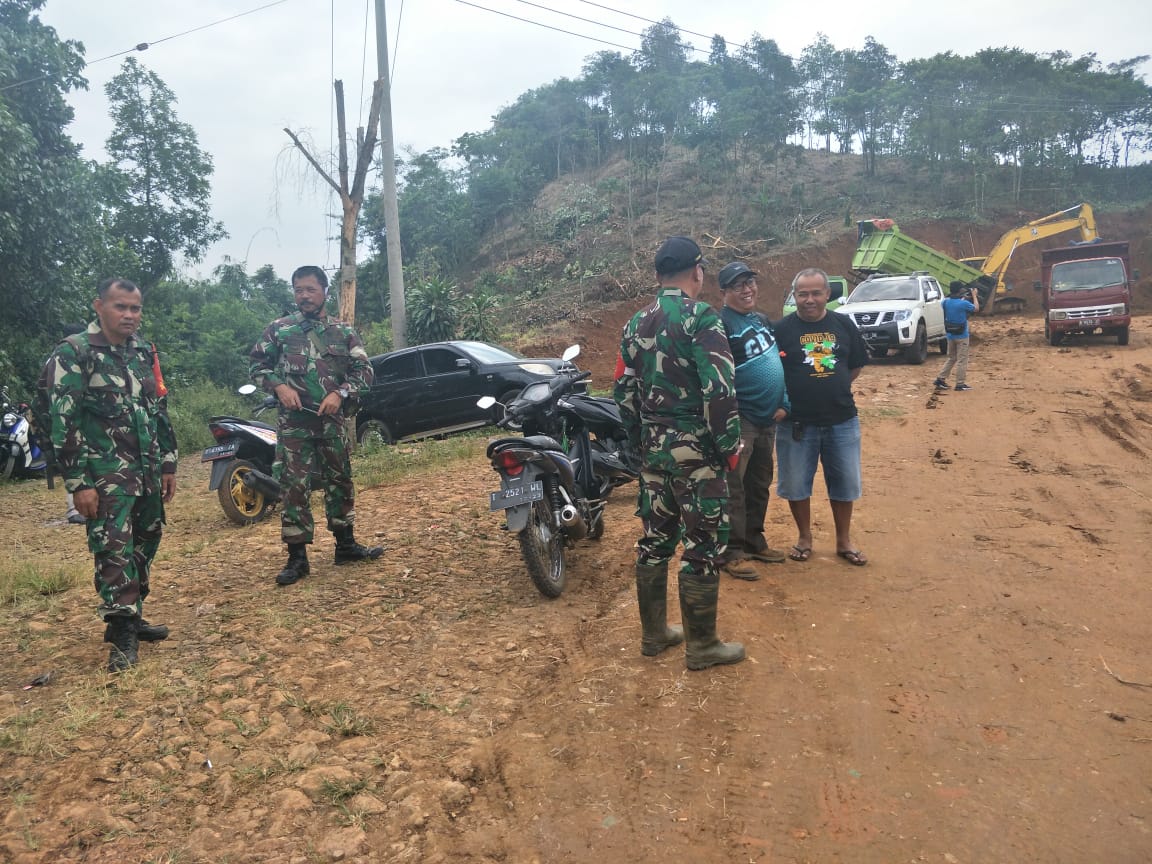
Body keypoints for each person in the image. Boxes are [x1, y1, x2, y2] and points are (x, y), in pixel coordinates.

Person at [615, 236, 745, 670]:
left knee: (654, 542)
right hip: (697, 457)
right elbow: (719, 389)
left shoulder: (634, 323)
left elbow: (624, 392)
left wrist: (639, 443)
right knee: (702, 545)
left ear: (657, 276)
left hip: (654, 454)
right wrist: (728, 446)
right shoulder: (702, 317)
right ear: (698, 272)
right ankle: (702, 646)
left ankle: (654, 634)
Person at [44, 278, 177, 672]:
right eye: (121, 307)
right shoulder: (75, 352)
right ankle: (121, 632)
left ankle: (133, 614)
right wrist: (78, 483)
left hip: (146, 469)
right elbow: (63, 421)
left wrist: (168, 462)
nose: (129, 315)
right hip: (104, 474)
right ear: (99, 306)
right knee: (113, 548)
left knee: (147, 538)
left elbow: (158, 408)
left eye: (135, 308)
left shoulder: (142, 351)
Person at [250, 265, 381, 586]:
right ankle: (297, 558)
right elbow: (257, 365)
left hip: (331, 422)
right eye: (298, 290)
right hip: (293, 426)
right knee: (293, 487)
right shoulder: (279, 330)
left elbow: (364, 371)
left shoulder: (343, 331)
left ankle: (346, 545)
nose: (304, 296)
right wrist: (280, 387)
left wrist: (341, 393)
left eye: (310, 289)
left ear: (325, 291)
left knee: (340, 481)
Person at [774, 267, 869, 567]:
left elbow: (855, 365)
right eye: (803, 294)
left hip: (842, 419)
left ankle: (844, 540)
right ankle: (804, 537)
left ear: (828, 294)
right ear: (794, 296)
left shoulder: (843, 324)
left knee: (844, 483)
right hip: (796, 423)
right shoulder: (781, 330)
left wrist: (831, 387)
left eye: (816, 293)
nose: (809, 300)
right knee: (795, 483)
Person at [715, 261, 791, 580]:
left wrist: (784, 402)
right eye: (738, 285)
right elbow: (718, 374)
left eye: (750, 282)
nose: (747, 289)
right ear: (724, 292)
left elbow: (776, 360)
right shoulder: (720, 324)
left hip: (768, 418)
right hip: (741, 418)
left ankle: (753, 540)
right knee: (733, 486)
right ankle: (730, 551)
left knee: (759, 483)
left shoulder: (761, 320)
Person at [934, 280, 980, 392]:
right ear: (960, 291)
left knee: (951, 358)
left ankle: (940, 379)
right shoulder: (963, 304)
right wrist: (974, 296)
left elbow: (953, 303)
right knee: (962, 360)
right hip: (962, 335)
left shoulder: (945, 302)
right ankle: (960, 383)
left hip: (950, 335)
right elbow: (976, 308)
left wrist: (962, 298)